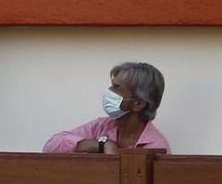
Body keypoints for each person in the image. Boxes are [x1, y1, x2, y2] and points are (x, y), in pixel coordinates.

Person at [43, 62, 171, 154]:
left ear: (138, 104)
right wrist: (103, 144)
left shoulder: (157, 146)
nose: (108, 91)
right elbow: (51, 146)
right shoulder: (101, 126)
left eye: (117, 88)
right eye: (112, 85)